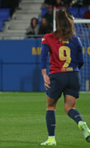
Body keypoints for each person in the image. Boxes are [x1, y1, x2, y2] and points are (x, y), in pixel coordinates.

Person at [40, 10, 90, 146]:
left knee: (50, 107)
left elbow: (43, 57)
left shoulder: (49, 37)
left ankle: (51, 139)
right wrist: (73, 71)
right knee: (70, 107)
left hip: (57, 75)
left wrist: (45, 74)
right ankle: (81, 123)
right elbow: (81, 61)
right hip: (74, 75)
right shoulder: (76, 39)